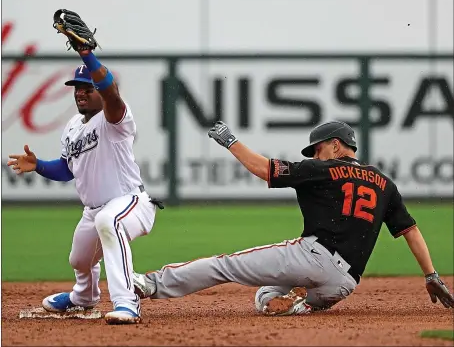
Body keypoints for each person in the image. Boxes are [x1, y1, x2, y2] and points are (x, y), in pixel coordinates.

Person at [132, 120, 454, 316]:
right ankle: (302, 301)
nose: (314, 155)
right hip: (344, 284)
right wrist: (431, 275)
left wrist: (231, 141)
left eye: (316, 148)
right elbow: (409, 230)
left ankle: (148, 284)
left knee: (224, 265)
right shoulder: (385, 182)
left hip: (312, 257)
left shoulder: (321, 169)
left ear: (335, 145)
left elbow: (263, 169)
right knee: (266, 298)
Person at [7, 10, 163, 325]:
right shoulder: (73, 127)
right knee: (80, 259)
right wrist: (38, 165)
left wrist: (87, 54)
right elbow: (67, 170)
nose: (80, 92)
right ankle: (83, 297)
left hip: (130, 202)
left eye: (86, 87)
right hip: (92, 209)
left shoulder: (115, 118)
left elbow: (111, 92)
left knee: (110, 222)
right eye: (77, 88)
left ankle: (126, 302)